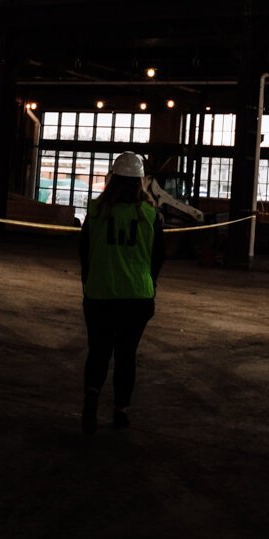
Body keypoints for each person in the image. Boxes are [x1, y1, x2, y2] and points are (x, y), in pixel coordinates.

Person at [78, 150, 166, 434]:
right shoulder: (151, 215)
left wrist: (90, 285)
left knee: (99, 351)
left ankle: (91, 399)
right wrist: (149, 288)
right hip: (136, 298)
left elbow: (84, 256)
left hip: (100, 295)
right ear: (141, 181)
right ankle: (120, 410)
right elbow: (157, 260)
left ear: (112, 178)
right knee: (126, 355)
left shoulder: (95, 211)